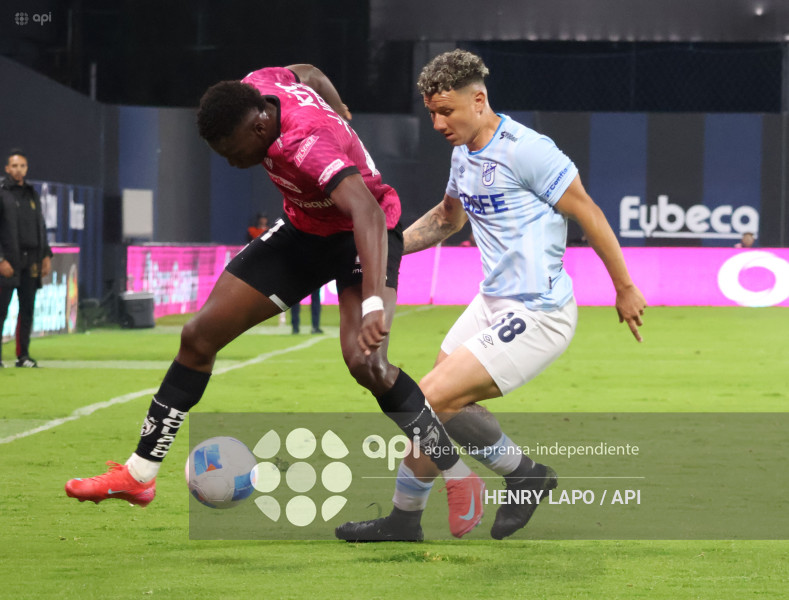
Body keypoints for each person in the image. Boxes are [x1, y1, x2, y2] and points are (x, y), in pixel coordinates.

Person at [65, 63, 484, 538]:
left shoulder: (308, 143)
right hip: (304, 232)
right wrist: (342, 108)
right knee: (198, 336)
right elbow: (305, 71)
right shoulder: (257, 85)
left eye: (232, 150)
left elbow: (365, 210)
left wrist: (371, 303)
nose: (231, 161)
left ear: (260, 126)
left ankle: (458, 476)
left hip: (363, 233)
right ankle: (139, 475)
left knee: (366, 362)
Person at [336, 49, 646, 542]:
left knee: (428, 400)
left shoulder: (528, 150)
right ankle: (525, 476)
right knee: (442, 407)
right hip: (490, 303)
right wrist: (381, 248)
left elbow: (588, 212)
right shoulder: (463, 154)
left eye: (446, 112)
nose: (437, 123)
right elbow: (446, 219)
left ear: (478, 100)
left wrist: (624, 288)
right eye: (431, 113)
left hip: (538, 311)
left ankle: (405, 517)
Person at [0, 150, 52, 368]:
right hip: (9, 261)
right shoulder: (2, 193)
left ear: (26, 168)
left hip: (31, 260)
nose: (18, 170)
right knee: (1, 309)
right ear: (7, 169)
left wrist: (46, 255)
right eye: (14, 166)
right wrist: (1, 259)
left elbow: (41, 226)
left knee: (27, 309)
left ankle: (23, 355)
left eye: (22, 166)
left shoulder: (32, 194)